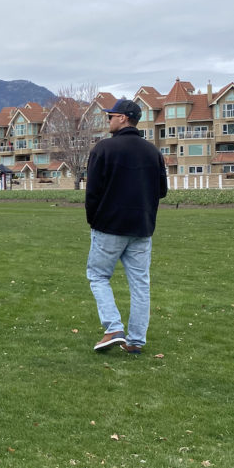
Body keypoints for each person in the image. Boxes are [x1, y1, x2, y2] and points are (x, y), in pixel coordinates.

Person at [85, 98, 167, 354]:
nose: (108, 120)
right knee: (140, 284)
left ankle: (113, 327)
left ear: (122, 118)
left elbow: (93, 192)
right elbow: (162, 191)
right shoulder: (153, 152)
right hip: (142, 228)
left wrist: (94, 220)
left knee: (98, 276)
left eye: (110, 116)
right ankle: (135, 341)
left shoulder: (104, 149)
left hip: (109, 226)